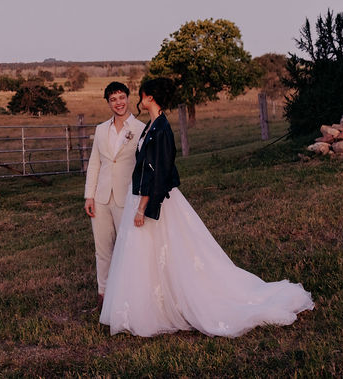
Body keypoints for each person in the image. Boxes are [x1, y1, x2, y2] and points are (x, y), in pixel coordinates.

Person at [99, 77, 314, 337]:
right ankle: (151, 304)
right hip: (141, 196)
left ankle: (164, 307)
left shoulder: (162, 128)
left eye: (142, 96)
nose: (139, 100)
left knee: (166, 253)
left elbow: (158, 171)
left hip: (150, 200)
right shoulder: (152, 126)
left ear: (151, 97)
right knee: (147, 257)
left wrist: (143, 206)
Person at [84, 81, 147, 303]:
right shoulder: (101, 129)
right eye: (113, 99)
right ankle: (103, 294)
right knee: (102, 249)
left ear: (128, 98)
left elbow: (143, 167)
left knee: (128, 248)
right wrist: (89, 196)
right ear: (108, 103)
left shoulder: (140, 129)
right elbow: (94, 164)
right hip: (101, 198)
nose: (118, 103)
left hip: (127, 197)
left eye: (121, 98)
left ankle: (129, 296)